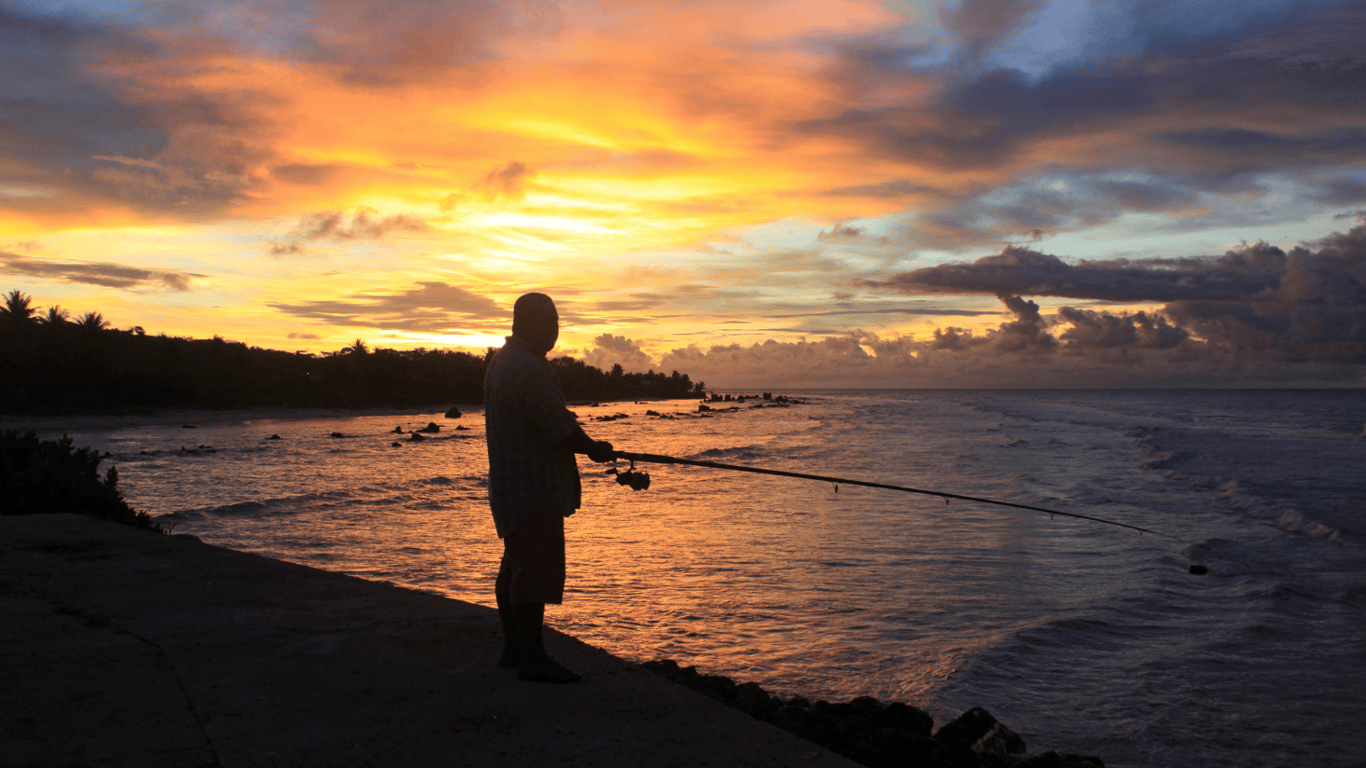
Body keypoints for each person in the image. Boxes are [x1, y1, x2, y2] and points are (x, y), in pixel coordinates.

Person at [484, 293, 615, 683]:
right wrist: (594, 448)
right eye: (552, 323)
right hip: (533, 487)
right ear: (530, 324)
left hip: (510, 484)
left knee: (515, 565)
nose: (557, 331)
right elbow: (557, 427)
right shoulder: (530, 368)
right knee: (533, 572)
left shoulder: (502, 362)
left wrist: (588, 445)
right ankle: (533, 658)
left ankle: (514, 647)